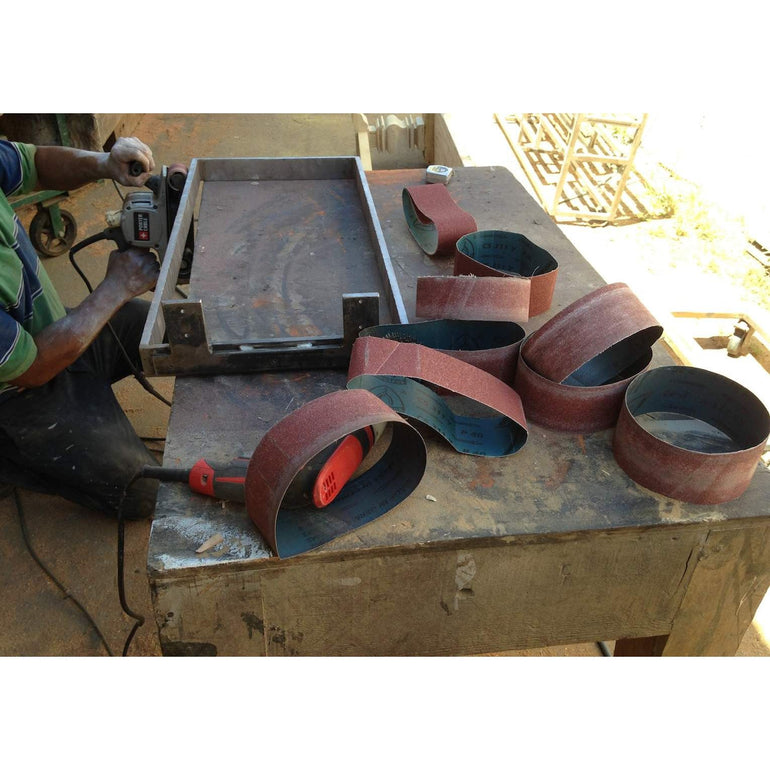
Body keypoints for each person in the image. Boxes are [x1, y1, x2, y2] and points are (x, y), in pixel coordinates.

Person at [0, 136, 163, 519]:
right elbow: (33, 367)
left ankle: (85, 376)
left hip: (50, 333)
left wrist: (105, 163)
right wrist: (114, 289)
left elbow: (33, 162)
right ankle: (12, 457)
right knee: (145, 491)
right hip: (20, 392)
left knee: (164, 331)